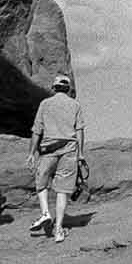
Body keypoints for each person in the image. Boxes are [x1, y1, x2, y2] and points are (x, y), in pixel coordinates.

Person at [29, 73, 85, 244]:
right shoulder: (75, 105)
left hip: (48, 149)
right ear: (68, 89)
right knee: (63, 190)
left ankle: (45, 212)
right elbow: (80, 131)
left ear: (54, 88)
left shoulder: (45, 104)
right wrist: (80, 153)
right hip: (69, 149)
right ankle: (59, 229)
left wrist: (32, 153)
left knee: (41, 182)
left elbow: (36, 130)